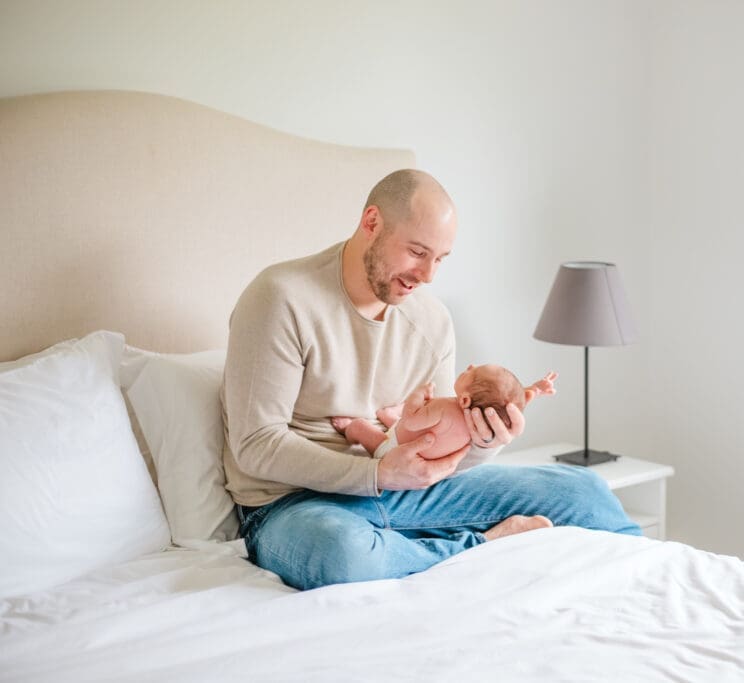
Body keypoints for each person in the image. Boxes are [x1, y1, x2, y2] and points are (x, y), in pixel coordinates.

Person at [221, 168, 640, 590]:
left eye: (440, 259)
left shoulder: (432, 320)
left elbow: (438, 459)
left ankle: (640, 589)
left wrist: (484, 443)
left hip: (405, 494)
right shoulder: (281, 297)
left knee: (584, 491)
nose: (428, 276)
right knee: (344, 555)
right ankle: (485, 543)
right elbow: (255, 446)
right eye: (418, 252)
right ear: (371, 223)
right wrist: (378, 473)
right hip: (293, 506)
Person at [330, 365, 558, 464]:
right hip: (420, 448)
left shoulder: (443, 408)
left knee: (362, 425)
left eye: (473, 373)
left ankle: (349, 430)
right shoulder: (478, 425)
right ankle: (389, 417)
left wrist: (417, 396)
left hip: (393, 453)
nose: (470, 366)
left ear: (465, 399)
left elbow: (411, 419)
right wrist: (534, 390)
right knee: (412, 426)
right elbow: (510, 405)